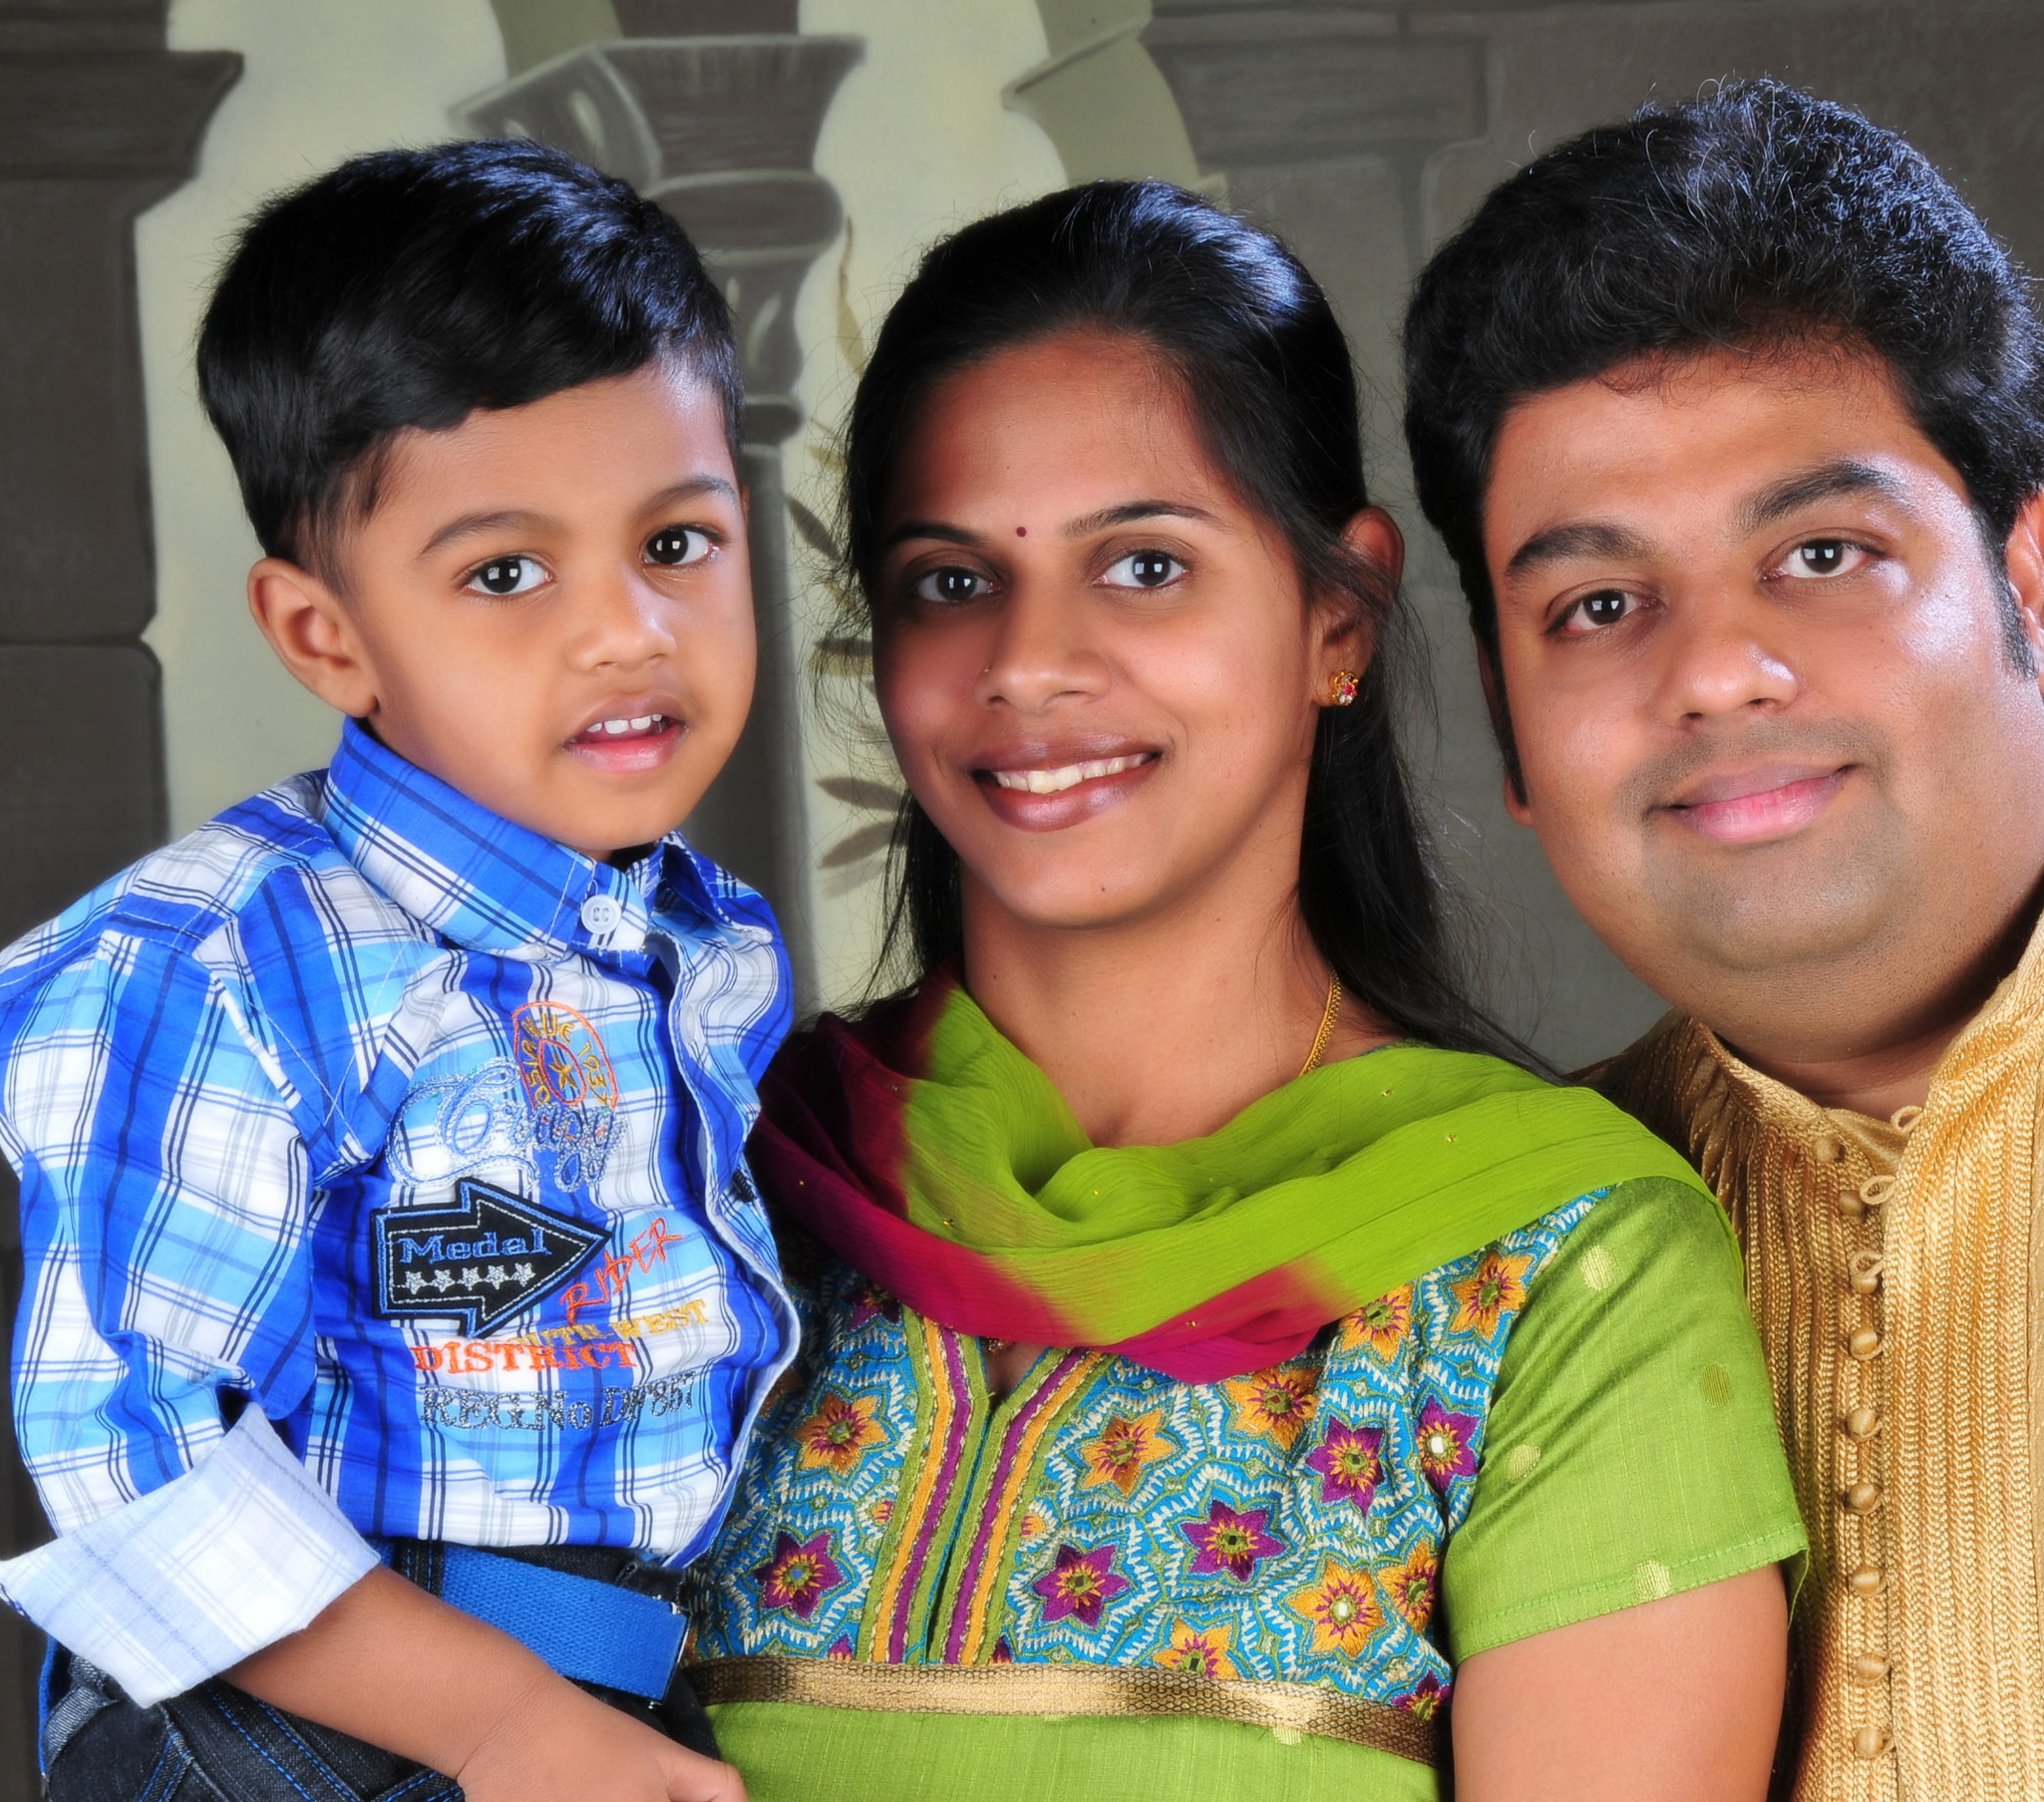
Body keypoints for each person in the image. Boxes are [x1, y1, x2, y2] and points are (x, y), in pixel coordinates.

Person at [685, 180, 1806, 1801]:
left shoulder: (1553, 1269)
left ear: (1339, 616)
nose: (1029, 664)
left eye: (1144, 566)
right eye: (951, 582)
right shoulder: (707, 1190)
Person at [1402, 76, 2044, 1802]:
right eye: (1597, 604)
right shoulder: (1475, 1276)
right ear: (1508, 731)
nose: (1716, 672)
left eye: (1822, 552)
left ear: (2026, 584)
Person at [0, 142, 799, 1802]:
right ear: (325, 635)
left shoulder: (701, 942)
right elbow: (136, 1459)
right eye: (506, 573)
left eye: (678, 542)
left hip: (582, 1690)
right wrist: (497, 1726)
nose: (627, 630)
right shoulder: (230, 964)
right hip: (304, 1724)